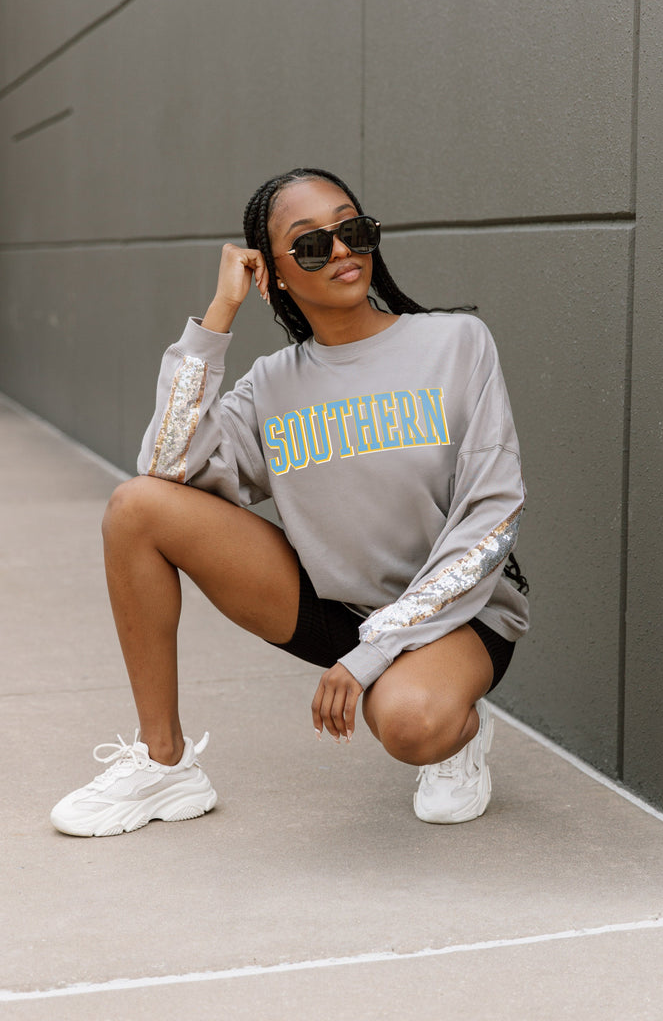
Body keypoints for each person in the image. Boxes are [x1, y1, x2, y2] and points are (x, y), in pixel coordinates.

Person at [50, 167, 529, 838]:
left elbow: (492, 516)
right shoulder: (271, 384)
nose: (340, 250)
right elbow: (165, 466)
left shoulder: (454, 344)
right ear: (271, 274)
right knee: (136, 507)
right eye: (310, 244)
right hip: (336, 608)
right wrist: (217, 318)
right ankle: (165, 763)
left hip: (455, 616)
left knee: (410, 725)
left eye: (351, 228)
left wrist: (375, 652)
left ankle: (458, 732)